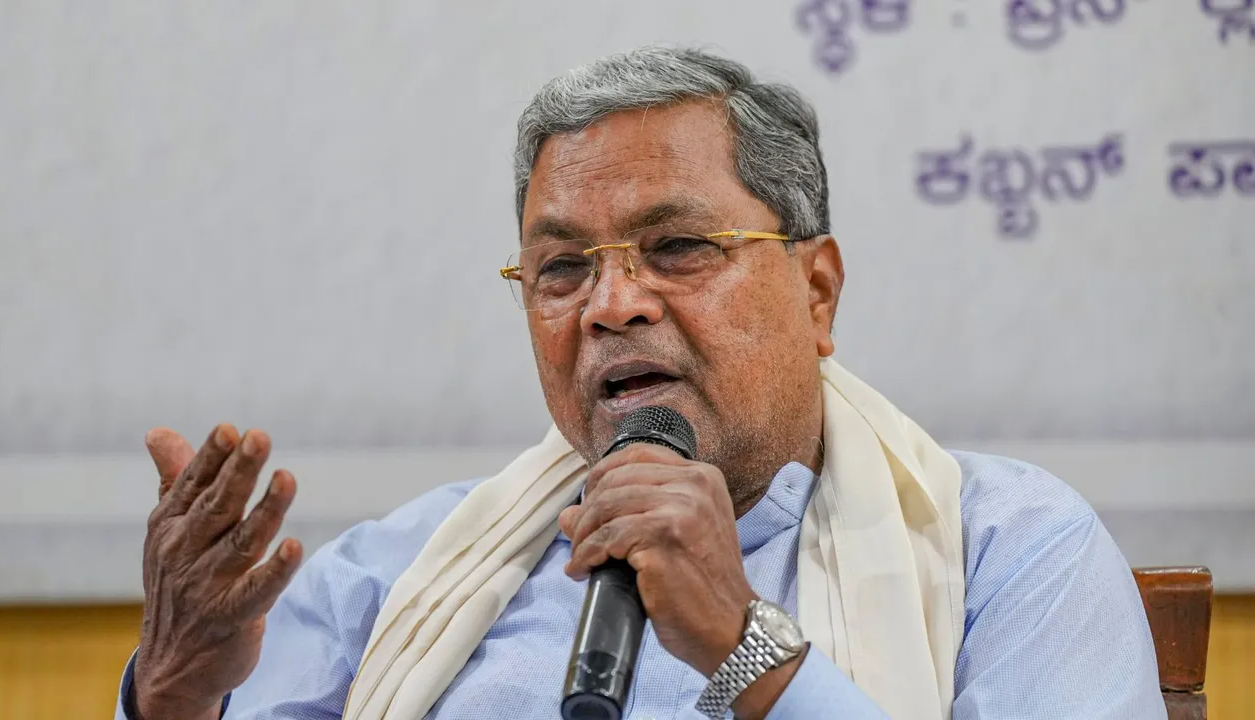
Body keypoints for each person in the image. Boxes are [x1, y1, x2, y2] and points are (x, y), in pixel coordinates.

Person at [115, 47, 1166, 720]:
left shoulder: (1008, 546)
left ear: (815, 293)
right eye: (561, 268)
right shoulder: (395, 577)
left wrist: (742, 643)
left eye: (675, 246)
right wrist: (173, 690)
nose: (609, 304)